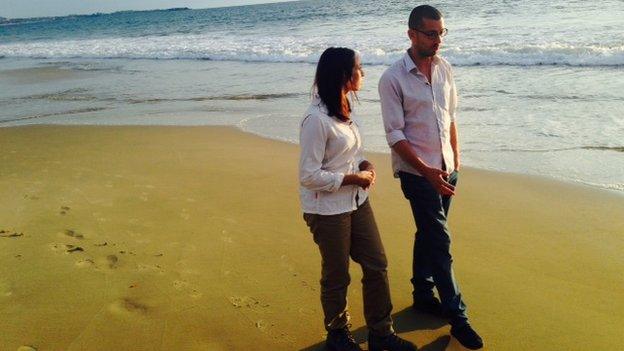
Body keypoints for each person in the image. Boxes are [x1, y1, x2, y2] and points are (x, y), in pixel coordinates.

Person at [378, 5, 484, 350]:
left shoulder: (445, 69)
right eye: (431, 33)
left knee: (428, 232)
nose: (438, 40)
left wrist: (455, 161)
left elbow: (449, 118)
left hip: (447, 169)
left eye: (441, 33)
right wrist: (427, 171)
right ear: (411, 34)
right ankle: (459, 318)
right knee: (440, 241)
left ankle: (423, 293)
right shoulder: (392, 78)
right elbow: (395, 135)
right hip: (417, 173)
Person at [299, 47, 416, 351]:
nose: (362, 73)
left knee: (377, 264)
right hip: (326, 210)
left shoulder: (345, 107)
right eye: (359, 68)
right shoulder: (315, 120)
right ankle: (337, 334)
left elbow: (350, 154)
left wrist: (366, 166)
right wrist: (353, 178)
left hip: (356, 202)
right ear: (343, 75)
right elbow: (309, 175)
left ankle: (381, 333)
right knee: (337, 275)